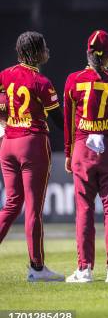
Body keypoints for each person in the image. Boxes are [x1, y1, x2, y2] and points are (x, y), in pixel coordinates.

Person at [63, 30, 108, 283]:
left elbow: (68, 120)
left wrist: (68, 151)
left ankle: (84, 269)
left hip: (82, 150)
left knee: (84, 210)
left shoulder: (73, 80)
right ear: (107, 57)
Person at [0, 31, 64, 282]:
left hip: (7, 144)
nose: (48, 50)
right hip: (32, 144)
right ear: (36, 52)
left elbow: (1, 103)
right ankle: (37, 269)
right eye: (44, 46)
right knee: (33, 209)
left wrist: (4, 120)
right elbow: (59, 120)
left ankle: (37, 268)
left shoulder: (4, 75)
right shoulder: (42, 82)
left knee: (12, 204)